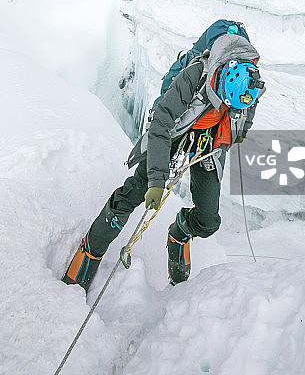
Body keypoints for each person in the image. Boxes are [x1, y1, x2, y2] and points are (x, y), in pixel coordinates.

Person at [62, 23, 264, 290]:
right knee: (135, 190)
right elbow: (161, 124)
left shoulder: (250, 88)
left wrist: (230, 135)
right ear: (221, 78)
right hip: (174, 131)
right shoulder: (195, 76)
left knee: (208, 221)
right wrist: (157, 180)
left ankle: (179, 232)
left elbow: (243, 122)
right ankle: (90, 252)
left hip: (209, 141)